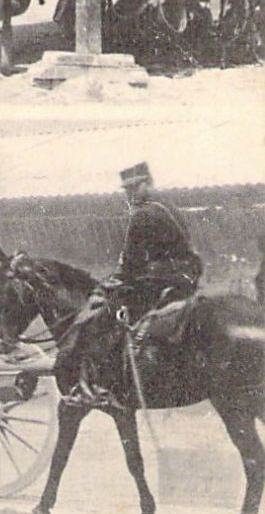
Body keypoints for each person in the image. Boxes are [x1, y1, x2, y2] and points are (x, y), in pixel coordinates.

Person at [61, 163, 204, 408]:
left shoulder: (142, 213)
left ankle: (101, 386)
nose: (129, 194)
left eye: (134, 188)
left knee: (104, 318)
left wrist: (108, 285)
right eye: (127, 189)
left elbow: (131, 262)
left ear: (147, 183)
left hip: (160, 279)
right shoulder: (167, 206)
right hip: (186, 277)